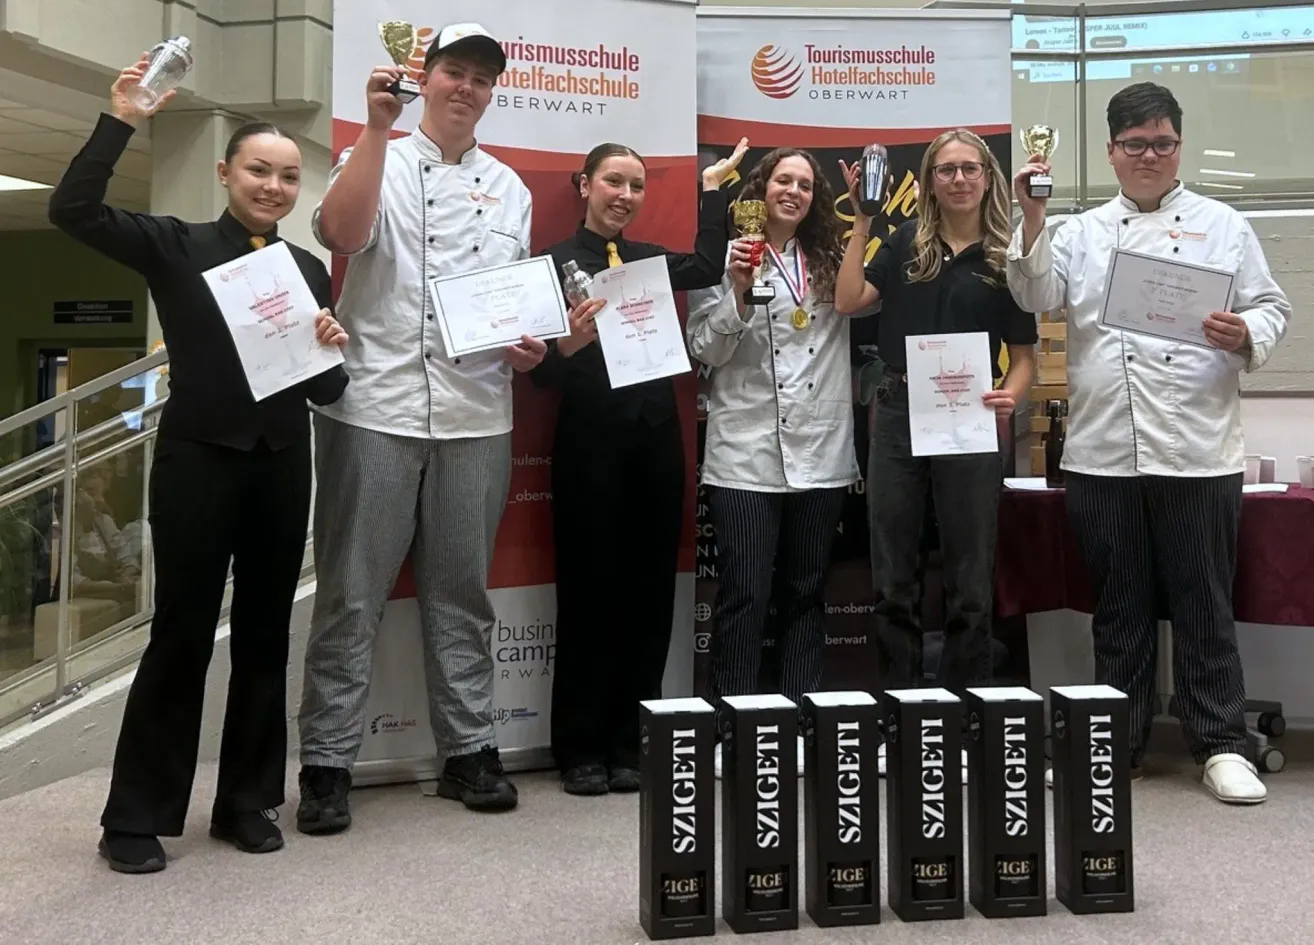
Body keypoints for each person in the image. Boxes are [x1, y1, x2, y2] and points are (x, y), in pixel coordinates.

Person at [48, 55, 350, 873]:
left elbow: (328, 388)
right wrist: (122, 119)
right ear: (226, 171)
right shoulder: (176, 245)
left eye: (289, 177)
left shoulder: (307, 269)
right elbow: (72, 208)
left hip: (284, 464)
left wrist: (332, 348)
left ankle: (246, 800)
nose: (274, 187)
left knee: (263, 638)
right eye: (259, 169)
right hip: (196, 462)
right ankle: (135, 817)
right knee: (180, 634)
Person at [1006, 82, 1291, 804]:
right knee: (1120, 604)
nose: (1149, 156)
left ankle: (1222, 743)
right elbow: (1033, 294)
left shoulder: (1224, 224)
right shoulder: (1079, 230)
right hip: (1104, 450)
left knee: (1203, 600)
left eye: (1161, 142)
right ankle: (1115, 744)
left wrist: (1247, 332)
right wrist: (1033, 215)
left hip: (1198, 446)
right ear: (1110, 152)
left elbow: (1272, 306)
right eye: (1134, 144)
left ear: (1178, 146)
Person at [296, 23, 547, 830]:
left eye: (481, 77)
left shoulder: (511, 187)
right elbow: (339, 236)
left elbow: (512, 301)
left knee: (461, 592)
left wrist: (530, 344)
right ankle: (327, 761)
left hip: (477, 411)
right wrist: (375, 128)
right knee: (351, 590)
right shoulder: (378, 155)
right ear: (425, 78)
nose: (466, 87)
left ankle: (469, 749)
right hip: (374, 403)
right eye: (453, 72)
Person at [532, 138, 747, 795]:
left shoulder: (653, 260)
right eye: (613, 182)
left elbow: (711, 261)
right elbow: (539, 373)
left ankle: (631, 740)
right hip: (588, 441)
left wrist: (710, 189)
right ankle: (579, 747)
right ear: (584, 183)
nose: (624, 196)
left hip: (656, 441)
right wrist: (567, 344)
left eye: (636, 185)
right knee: (589, 590)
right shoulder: (552, 264)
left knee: (650, 593)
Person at [834, 129, 1038, 779]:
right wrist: (863, 217)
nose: (957, 179)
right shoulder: (903, 245)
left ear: (987, 177)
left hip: (972, 421)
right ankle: (898, 715)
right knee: (892, 576)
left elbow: (1027, 358)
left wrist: (1011, 395)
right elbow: (845, 301)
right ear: (928, 180)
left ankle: (965, 715)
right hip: (897, 412)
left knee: (969, 578)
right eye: (944, 169)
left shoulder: (1008, 258)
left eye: (969, 168)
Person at [687, 148, 858, 778]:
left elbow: (865, 305)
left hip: (820, 451)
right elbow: (702, 347)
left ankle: (801, 723)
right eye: (783, 179)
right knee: (744, 595)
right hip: (745, 454)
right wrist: (735, 289)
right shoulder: (727, 257)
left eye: (806, 184)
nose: (794, 190)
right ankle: (731, 728)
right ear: (761, 187)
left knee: (807, 595)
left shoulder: (832, 261)